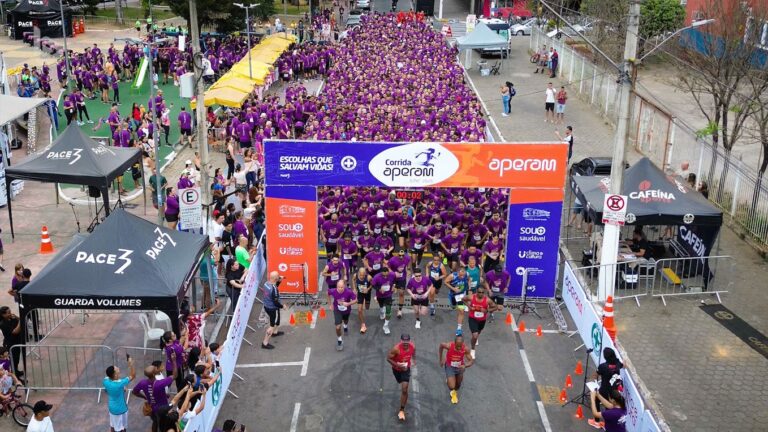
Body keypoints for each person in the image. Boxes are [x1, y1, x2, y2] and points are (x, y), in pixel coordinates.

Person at [133, 363, 176, 432]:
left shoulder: (142, 382)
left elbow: (134, 392)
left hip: (152, 408)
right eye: (155, 369)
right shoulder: (160, 383)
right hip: (162, 409)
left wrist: (144, 397)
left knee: (155, 422)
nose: (156, 368)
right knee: (163, 424)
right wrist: (174, 361)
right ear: (153, 374)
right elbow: (175, 375)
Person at [592, 347, 624, 428]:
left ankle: (597, 422)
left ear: (605, 357)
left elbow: (595, 375)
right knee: (610, 408)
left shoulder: (603, 366)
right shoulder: (617, 363)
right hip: (614, 391)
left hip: (604, 390)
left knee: (596, 400)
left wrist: (594, 380)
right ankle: (607, 423)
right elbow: (624, 365)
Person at [463, 286, 498, 359]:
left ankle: (475, 338)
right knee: (475, 335)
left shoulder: (487, 300)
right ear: (476, 292)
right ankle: (473, 349)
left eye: (482, 292)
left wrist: (487, 310)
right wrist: (469, 307)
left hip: (482, 320)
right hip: (473, 318)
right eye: (479, 292)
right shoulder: (471, 297)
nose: (481, 294)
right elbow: (463, 299)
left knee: (478, 333)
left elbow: (495, 307)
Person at [438, 334, 474, 404]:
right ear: (454, 343)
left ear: (463, 344)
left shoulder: (465, 349)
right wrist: (441, 359)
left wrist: (465, 365)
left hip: (459, 367)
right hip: (450, 366)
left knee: (458, 385)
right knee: (451, 386)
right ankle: (451, 385)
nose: (459, 348)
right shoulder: (449, 346)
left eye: (460, 346)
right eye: (457, 346)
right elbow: (441, 345)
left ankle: (454, 390)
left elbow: (471, 361)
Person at [103, 357, 136, 432]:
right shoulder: (120, 383)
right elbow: (133, 375)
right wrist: (131, 364)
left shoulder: (105, 380)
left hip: (112, 408)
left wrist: (120, 389)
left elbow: (106, 390)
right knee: (122, 428)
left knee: (113, 425)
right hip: (120, 410)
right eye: (116, 368)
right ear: (114, 374)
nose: (117, 368)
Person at [387, 333, 415, 422]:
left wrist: (414, 359)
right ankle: (400, 381)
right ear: (401, 341)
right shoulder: (396, 349)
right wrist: (398, 366)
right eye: (404, 341)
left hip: (406, 369)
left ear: (409, 341)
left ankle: (402, 410)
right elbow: (388, 358)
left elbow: (414, 352)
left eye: (407, 341)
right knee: (399, 381)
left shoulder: (412, 346)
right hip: (396, 369)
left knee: (404, 389)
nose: (405, 343)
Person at [328, 280, 357, 351]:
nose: (340, 289)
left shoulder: (349, 292)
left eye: (341, 287)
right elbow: (328, 293)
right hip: (337, 310)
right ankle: (339, 340)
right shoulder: (333, 291)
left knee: (345, 321)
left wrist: (348, 304)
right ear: (336, 286)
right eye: (338, 287)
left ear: (344, 286)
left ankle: (345, 326)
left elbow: (356, 300)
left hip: (346, 310)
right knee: (338, 327)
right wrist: (330, 304)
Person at [262, 271, 287, 350]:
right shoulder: (274, 289)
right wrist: (282, 306)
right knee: (272, 325)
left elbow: (274, 286)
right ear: (275, 278)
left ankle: (275, 332)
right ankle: (265, 343)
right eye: (278, 276)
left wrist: (279, 280)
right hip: (273, 308)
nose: (279, 276)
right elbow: (275, 302)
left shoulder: (266, 283)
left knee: (277, 321)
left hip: (266, 306)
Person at [444, 266, 470, 335]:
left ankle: (459, 328)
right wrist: (453, 289)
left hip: (460, 295)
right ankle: (453, 305)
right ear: (458, 272)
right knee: (453, 305)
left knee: (461, 311)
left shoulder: (467, 274)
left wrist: (468, 287)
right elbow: (445, 282)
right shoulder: (452, 276)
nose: (462, 276)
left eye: (463, 275)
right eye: (460, 275)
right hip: (453, 294)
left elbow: (469, 279)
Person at [371, 266, 396, 335]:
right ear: (380, 273)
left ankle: (386, 326)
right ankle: (382, 311)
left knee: (388, 310)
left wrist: (394, 286)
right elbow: (373, 285)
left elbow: (394, 280)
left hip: (388, 295)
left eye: (386, 275)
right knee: (381, 306)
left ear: (388, 272)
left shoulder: (392, 274)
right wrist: (379, 289)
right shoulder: (376, 277)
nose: (385, 277)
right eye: (383, 275)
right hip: (380, 295)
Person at [0, 306, 24, 376]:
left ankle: (16, 371)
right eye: (8, 313)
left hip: (16, 341)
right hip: (10, 343)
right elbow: (15, 331)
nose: (10, 314)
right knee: (12, 361)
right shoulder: (3, 324)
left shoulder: (12, 319)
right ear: (3, 315)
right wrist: (20, 321)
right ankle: (14, 377)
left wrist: (17, 318)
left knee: (16, 359)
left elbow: (19, 323)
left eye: (10, 312)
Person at [352, 267, 373, 334]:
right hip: (360, 293)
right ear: (358, 273)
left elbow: (373, 284)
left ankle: (364, 307)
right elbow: (353, 280)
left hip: (367, 293)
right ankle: (363, 324)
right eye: (360, 275)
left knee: (367, 307)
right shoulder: (355, 275)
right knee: (359, 310)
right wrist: (354, 288)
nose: (362, 276)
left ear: (365, 274)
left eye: (363, 275)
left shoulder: (369, 277)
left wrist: (368, 289)